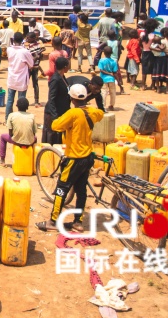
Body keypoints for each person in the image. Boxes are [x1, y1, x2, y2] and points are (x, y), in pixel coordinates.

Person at [37, 83, 104, 232]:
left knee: (61, 189)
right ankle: (78, 222)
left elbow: (55, 125)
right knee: (81, 190)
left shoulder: (72, 114)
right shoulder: (93, 112)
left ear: (72, 99)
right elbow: (101, 113)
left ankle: (53, 221)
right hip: (88, 157)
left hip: (74, 158)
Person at [0, 97, 36, 168]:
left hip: (16, 141)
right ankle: (33, 160)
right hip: (29, 142)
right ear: (27, 107)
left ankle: (2, 160)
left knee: (2, 137)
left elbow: (10, 133)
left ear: (16, 106)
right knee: (35, 138)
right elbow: (34, 133)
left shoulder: (12, 115)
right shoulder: (32, 116)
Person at [4, 32, 33, 117]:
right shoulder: (25, 52)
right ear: (22, 40)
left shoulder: (9, 49)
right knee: (21, 101)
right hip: (21, 80)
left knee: (10, 100)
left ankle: (7, 119)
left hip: (11, 79)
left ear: (13, 40)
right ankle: (20, 119)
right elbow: (31, 65)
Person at [44, 56, 70, 143]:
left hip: (61, 111)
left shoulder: (62, 77)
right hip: (53, 113)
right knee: (53, 136)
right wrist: (54, 116)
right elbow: (51, 98)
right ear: (64, 67)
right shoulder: (55, 79)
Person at [149, 27, 168, 94]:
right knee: (165, 73)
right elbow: (162, 49)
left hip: (157, 60)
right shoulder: (157, 45)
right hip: (163, 60)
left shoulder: (152, 45)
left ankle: (158, 88)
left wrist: (152, 48)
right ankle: (167, 89)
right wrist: (161, 46)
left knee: (157, 74)